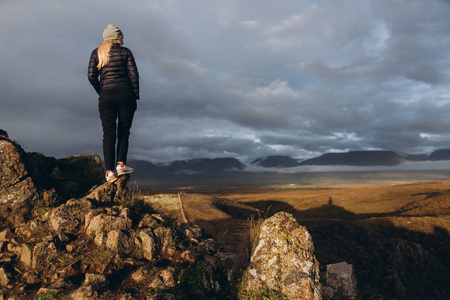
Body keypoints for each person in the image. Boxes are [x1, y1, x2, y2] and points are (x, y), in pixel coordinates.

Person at [88, 24, 139, 182]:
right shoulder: (126, 52)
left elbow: (91, 76)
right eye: (121, 37)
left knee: (108, 133)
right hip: (125, 95)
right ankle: (121, 164)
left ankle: (109, 172)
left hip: (106, 97)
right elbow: (134, 76)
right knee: (124, 131)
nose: (123, 40)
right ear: (116, 38)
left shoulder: (97, 53)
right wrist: (135, 95)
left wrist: (102, 91)